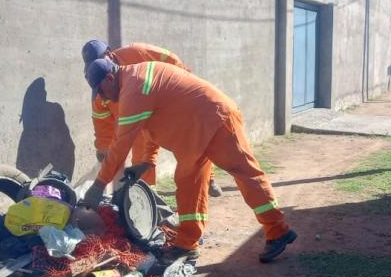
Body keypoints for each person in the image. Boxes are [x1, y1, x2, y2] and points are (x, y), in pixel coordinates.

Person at [82, 58, 297, 264]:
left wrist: (99, 184)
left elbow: (120, 146)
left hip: (216, 120)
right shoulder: (133, 80)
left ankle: (278, 230)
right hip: (194, 135)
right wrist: (146, 162)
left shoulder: (135, 88)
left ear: (110, 78)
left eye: (101, 91)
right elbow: (150, 126)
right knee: (188, 185)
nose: (104, 99)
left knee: (246, 174)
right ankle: (187, 245)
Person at [81, 39, 223, 197]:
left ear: (109, 54)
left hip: (164, 108)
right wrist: (103, 147)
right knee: (142, 158)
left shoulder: (137, 53)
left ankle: (208, 179)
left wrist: (184, 87)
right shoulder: (98, 79)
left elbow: (172, 61)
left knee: (195, 143)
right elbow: (101, 119)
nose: (96, 67)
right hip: (134, 122)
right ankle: (148, 196)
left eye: (99, 62)